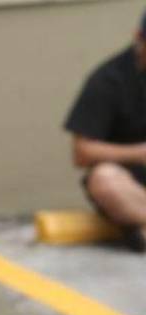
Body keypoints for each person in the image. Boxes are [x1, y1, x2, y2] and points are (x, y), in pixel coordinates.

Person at [64, 8, 146, 250]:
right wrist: (139, 153)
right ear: (139, 38)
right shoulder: (108, 80)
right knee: (104, 179)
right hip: (131, 182)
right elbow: (82, 153)